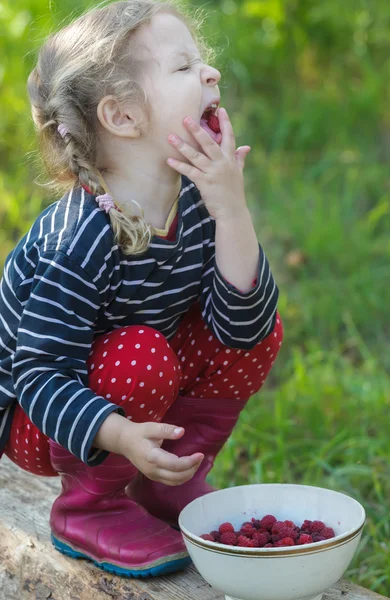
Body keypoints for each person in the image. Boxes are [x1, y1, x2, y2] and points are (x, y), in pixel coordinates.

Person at [0, 0, 283, 578]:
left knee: (264, 329)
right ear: (123, 117)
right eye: (184, 68)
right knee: (141, 354)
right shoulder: (78, 237)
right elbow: (39, 372)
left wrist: (231, 209)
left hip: (129, 390)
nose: (212, 75)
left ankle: (166, 475)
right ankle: (89, 506)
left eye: (202, 63)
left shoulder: (197, 202)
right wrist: (120, 434)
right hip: (42, 417)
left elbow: (241, 329)